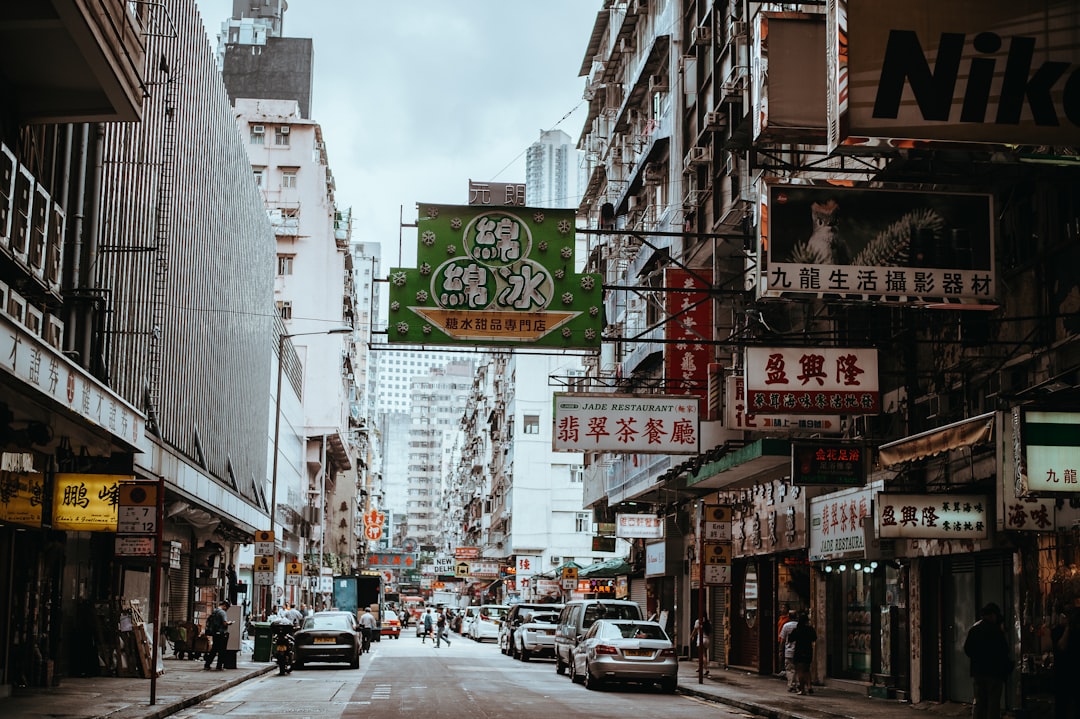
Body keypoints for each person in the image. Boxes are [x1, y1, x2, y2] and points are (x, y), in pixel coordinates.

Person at [964, 602, 1012, 719]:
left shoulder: (974, 630)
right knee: (993, 704)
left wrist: (977, 658)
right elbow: (1005, 651)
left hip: (978, 673)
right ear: (992, 615)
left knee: (979, 702)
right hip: (994, 674)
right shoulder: (996, 632)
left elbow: (967, 649)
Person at [1051, 607, 1080, 719]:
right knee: (1062, 709)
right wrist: (1067, 628)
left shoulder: (1077, 632)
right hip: (1062, 677)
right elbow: (1061, 646)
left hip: (1076, 676)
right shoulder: (1058, 631)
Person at [789, 612, 817, 695]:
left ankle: (802, 689)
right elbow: (814, 638)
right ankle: (809, 686)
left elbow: (791, 639)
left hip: (799, 651)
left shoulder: (797, 630)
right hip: (808, 651)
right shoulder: (810, 629)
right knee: (807, 669)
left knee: (800, 671)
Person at [203, 600, 233, 671]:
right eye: (227, 608)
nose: (227, 610)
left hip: (215, 633)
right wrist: (230, 623)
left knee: (214, 650)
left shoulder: (215, 611)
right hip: (221, 633)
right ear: (224, 606)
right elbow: (225, 623)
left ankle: (207, 664)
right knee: (222, 651)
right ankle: (219, 666)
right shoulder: (222, 612)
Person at [778, 609, 799, 692]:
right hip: (798, 651)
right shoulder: (799, 625)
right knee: (797, 668)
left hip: (788, 651)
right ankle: (797, 684)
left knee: (789, 669)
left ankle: (791, 685)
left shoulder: (786, 626)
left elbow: (782, 639)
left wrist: (780, 650)